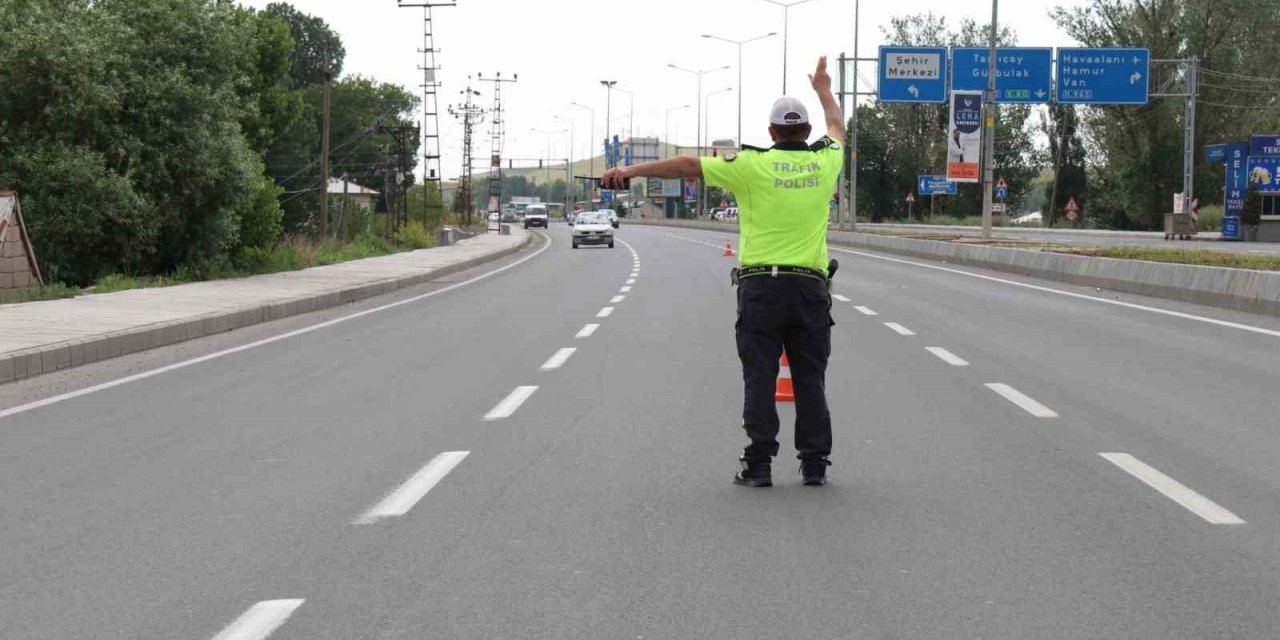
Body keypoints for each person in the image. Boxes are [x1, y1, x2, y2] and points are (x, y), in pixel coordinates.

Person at [603, 56, 845, 487]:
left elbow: (688, 166)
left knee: (760, 376)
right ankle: (813, 465)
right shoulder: (825, 161)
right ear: (805, 133)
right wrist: (823, 89)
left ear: (771, 133)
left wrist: (629, 171)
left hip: (761, 290)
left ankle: (759, 466)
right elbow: (838, 127)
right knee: (810, 379)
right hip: (810, 289)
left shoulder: (751, 164)